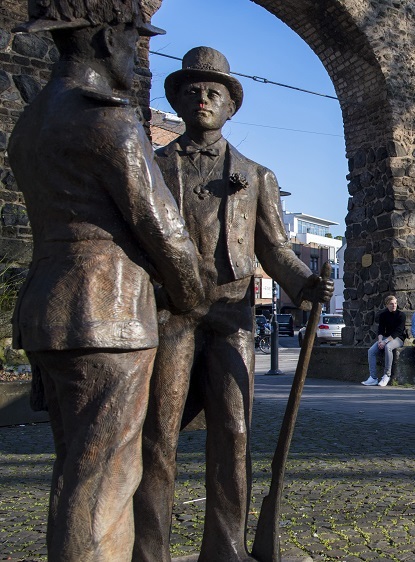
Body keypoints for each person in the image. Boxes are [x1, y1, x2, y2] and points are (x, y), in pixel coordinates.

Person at [7, 1, 204, 559]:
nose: (134, 56)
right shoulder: (108, 120)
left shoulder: (31, 123)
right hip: (108, 313)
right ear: (101, 38)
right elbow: (165, 231)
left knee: (74, 471)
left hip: (47, 309)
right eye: (129, 41)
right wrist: (191, 299)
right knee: (106, 480)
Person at [131, 46, 334, 562]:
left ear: (230, 107)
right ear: (177, 101)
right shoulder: (152, 167)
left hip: (231, 314)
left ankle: (225, 549)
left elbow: (275, 247)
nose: (203, 98)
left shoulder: (256, 175)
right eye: (193, 90)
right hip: (170, 313)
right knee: (158, 436)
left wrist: (305, 283)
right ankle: (147, 552)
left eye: (214, 92)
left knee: (234, 432)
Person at [363, 295, 407, 387]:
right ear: (387, 305)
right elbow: (381, 330)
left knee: (388, 347)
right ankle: (373, 378)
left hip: (398, 338)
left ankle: (387, 375)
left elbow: (398, 332)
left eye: (395, 303)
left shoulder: (401, 315)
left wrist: (385, 342)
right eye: (391, 304)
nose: (394, 305)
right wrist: (380, 341)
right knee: (371, 351)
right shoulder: (383, 315)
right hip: (385, 338)